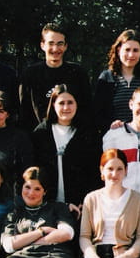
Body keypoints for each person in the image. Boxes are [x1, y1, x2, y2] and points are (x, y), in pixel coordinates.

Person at [32, 84, 101, 218]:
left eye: (70, 103)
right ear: (53, 105)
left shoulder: (88, 133)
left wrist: (85, 200)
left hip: (79, 206)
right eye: (61, 103)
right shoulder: (41, 132)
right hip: (47, 205)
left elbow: (94, 171)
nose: (66, 107)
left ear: (77, 104)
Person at [20, 23, 92, 131]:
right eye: (51, 43)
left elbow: (87, 109)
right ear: (42, 45)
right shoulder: (30, 74)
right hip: (39, 136)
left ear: (65, 46)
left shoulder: (78, 73)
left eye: (60, 44)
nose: (55, 48)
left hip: (72, 134)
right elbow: (24, 112)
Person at [93, 29, 140, 133]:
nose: (131, 55)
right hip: (115, 135)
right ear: (118, 50)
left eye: (135, 50)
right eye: (127, 50)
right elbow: (98, 114)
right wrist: (110, 124)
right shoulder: (107, 78)